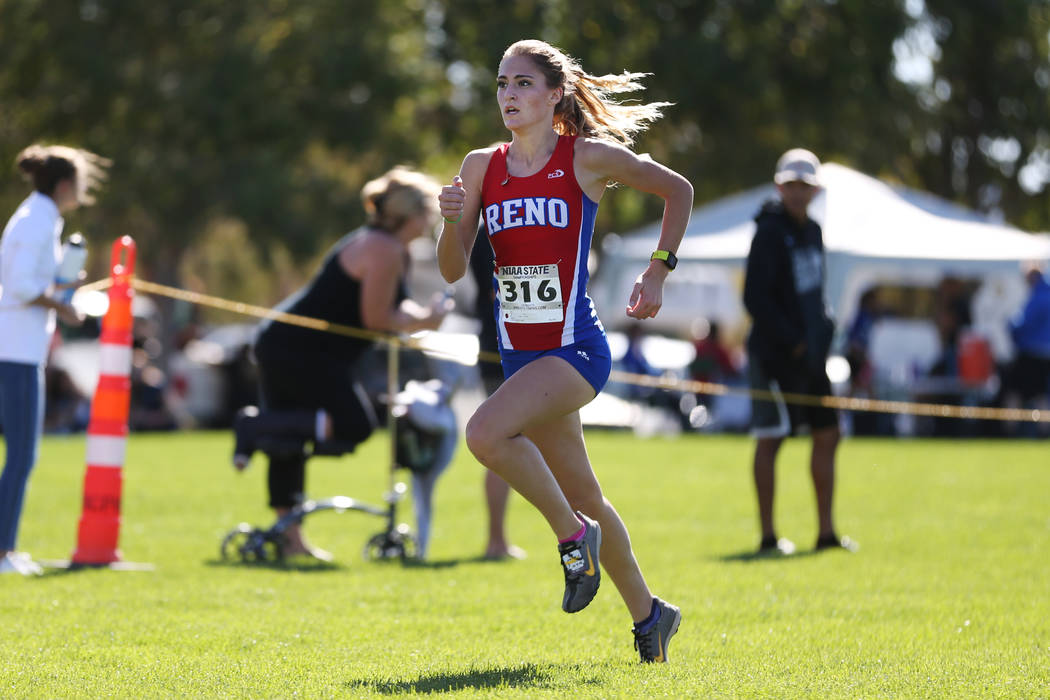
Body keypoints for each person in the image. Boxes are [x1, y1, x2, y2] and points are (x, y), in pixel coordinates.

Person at [436, 39, 692, 662]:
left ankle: (575, 542)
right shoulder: (480, 167)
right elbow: (450, 271)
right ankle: (651, 616)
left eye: (522, 83)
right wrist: (449, 221)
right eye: (501, 84)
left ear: (555, 94)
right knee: (586, 493)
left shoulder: (587, 158)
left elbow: (677, 189)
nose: (509, 95)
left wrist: (658, 271)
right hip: (520, 355)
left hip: (575, 349)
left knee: (484, 434)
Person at [232, 167, 452, 560]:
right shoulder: (383, 249)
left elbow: (391, 309)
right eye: (427, 212)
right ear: (410, 214)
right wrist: (425, 321)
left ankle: (290, 540)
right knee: (354, 424)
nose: (430, 221)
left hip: (300, 348)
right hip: (296, 350)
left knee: (291, 438)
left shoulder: (389, 249)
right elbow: (376, 319)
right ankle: (255, 426)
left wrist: (420, 315)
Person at [742, 148, 856, 556]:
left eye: (804, 186)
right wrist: (793, 338)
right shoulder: (769, 232)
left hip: (809, 356)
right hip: (773, 355)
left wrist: (821, 331)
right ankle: (768, 536)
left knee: (828, 433)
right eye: (790, 185)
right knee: (771, 438)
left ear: (815, 190)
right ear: (779, 186)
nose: (797, 192)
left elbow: (814, 292)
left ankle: (826, 533)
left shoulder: (813, 232)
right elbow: (755, 298)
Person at [1, 144, 107, 575]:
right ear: (65, 185)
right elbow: (22, 286)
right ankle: (2, 551)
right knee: (23, 454)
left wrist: (63, 285)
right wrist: (63, 306)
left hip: (21, 349)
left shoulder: (42, 217)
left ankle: (6, 547)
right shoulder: (37, 221)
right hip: (15, 352)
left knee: (23, 454)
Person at [469, 224, 525, 561]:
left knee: (510, 444)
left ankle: (498, 540)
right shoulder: (490, 229)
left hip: (504, 349)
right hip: (502, 350)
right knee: (503, 443)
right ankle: (496, 540)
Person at [1002, 262, 1050, 436]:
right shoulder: (1046, 292)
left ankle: (1010, 431)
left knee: (1013, 392)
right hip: (1045, 354)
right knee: (1041, 394)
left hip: (1030, 353)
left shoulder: (1038, 295)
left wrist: (1010, 326)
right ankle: (1045, 432)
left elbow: (1024, 324)